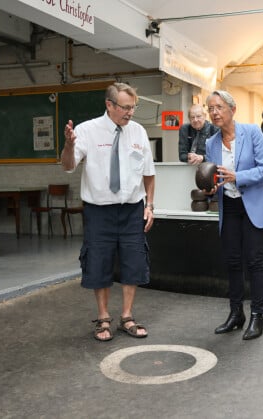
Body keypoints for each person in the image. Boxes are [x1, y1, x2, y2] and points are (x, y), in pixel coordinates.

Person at [61, 82, 155, 342]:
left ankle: (127, 316)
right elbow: (68, 167)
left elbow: (149, 174)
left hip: (132, 210)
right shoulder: (87, 131)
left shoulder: (138, 132)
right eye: (125, 107)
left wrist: (150, 206)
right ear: (109, 105)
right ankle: (103, 317)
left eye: (133, 107)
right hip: (99, 211)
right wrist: (69, 146)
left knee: (133, 262)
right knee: (99, 262)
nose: (130, 113)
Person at [205, 90, 263, 340]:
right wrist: (211, 186)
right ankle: (236, 314)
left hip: (254, 206)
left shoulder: (252, 132)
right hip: (229, 206)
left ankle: (257, 316)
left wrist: (238, 176)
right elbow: (214, 177)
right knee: (232, 262)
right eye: (210, 109)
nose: (214, 113)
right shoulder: (211, 143)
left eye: (218, 107)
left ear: (232, 109)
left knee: (254, 261)